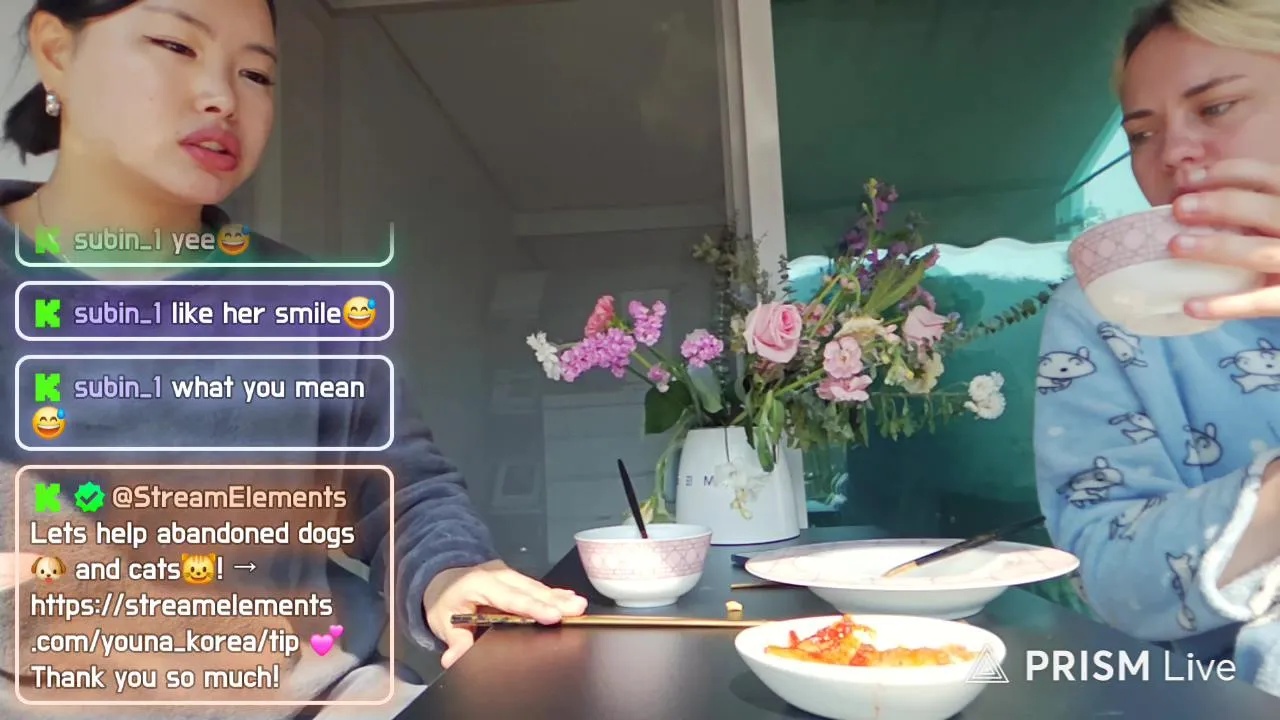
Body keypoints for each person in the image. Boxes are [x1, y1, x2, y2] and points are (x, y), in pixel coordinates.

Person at [0, 1, 586, 717]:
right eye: (175, 45)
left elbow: (401, 491)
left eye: (255, 74)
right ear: (57, 50)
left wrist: (451, 574)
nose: (222, 97)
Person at [1035, 0, 1280, 698]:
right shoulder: (1111, 314)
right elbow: (1113, 575)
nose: (1173, 153)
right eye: (1142, 133)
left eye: (1217, 107)